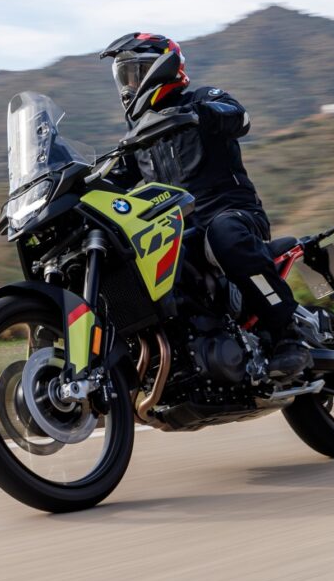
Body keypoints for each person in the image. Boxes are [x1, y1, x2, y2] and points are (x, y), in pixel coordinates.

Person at [99, 32, 310, 378]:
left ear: (162, 69)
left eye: (135, 73)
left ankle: (289, 331)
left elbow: (239, 118)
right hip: (180, 229)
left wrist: (200, 115)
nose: (128, 84)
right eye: (124, 76)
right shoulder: (138, 134)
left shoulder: (201, 99)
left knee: (224, 234)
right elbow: (118, 179)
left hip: (232, 213)